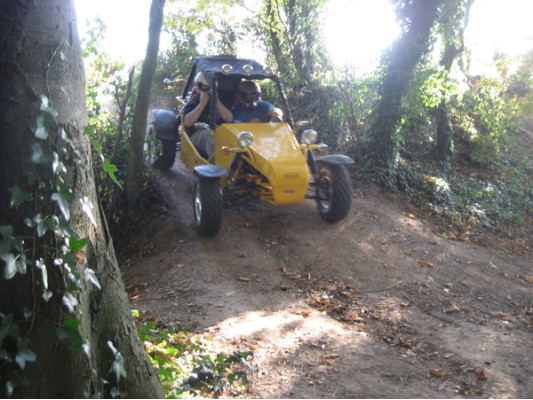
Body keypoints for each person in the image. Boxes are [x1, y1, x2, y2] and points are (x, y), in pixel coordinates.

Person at [182, 72, 233, 159]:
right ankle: (216, 163)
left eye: (212, 88)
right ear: (200, 87)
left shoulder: (219, 101)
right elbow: (187, 123)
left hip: (219, 132)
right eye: (207, 88)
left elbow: (229, 119)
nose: (210, 91)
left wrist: (216, 101)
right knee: (212, 136)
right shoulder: (194, 102)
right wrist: (202, 104)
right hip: (198, 133)